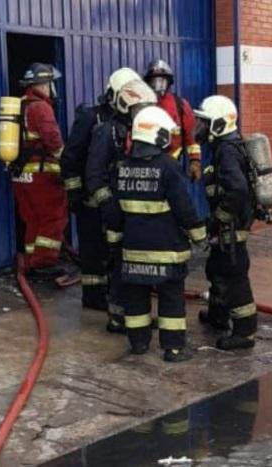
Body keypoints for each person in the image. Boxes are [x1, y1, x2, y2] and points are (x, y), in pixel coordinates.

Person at [110, 105, 206, 362]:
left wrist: (115, 240)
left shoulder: (122, 167)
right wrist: (200, 235)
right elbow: (184, 208)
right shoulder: (169, 166)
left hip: (132, 250)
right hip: (167, 250)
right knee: (171, 299)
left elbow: (114, 211)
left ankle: (139, 343)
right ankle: (173, 348)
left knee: (135, 298)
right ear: (158, 135)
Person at [60, 67, 140, 311]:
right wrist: (75, 193)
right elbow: (70, 158)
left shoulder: (125, 120)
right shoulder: (90, 118)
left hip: (113, 198)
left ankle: (109, 291)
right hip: (90, 198)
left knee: (110, 248)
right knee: (93, 249)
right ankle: (93, 297)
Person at [85, 78, 157, 333]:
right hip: (117, 211)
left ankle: (137, 314)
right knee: (119, 263)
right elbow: (94, 174)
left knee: (138, 263)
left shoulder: (138, 132)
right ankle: (117, 317)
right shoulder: (108, 132)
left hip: (136, 211)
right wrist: (109, 206)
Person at [194, 95, 257, 350]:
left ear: (218, 124)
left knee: (234, 276)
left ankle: (245, 332)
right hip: (227, 228)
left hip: (232, 229)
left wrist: (219, 218)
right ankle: (218, 316)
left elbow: (238, 190)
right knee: (217, 268)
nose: (199, 126)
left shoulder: (227, 151)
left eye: (204, 122)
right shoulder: (223, 147)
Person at [11, 63, 67, 272]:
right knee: (52, 217)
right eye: (51, 84)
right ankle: (44, 263)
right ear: (43, 85)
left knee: (32, 219)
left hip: (21, 175)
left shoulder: (20, 104)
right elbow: (53, 139)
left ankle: (31, 259)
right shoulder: (41, 107)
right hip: (42, 176)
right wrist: (66, 161)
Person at [143, 59, 202, 181]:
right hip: (146, 166)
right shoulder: (142, 105)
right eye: (154, 81)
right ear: (148, 83)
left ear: (168, 82)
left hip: (172, 166)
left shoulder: (180, 105)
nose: (158, 85)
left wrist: (195, 161)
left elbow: (191, 137)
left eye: (162, 81)